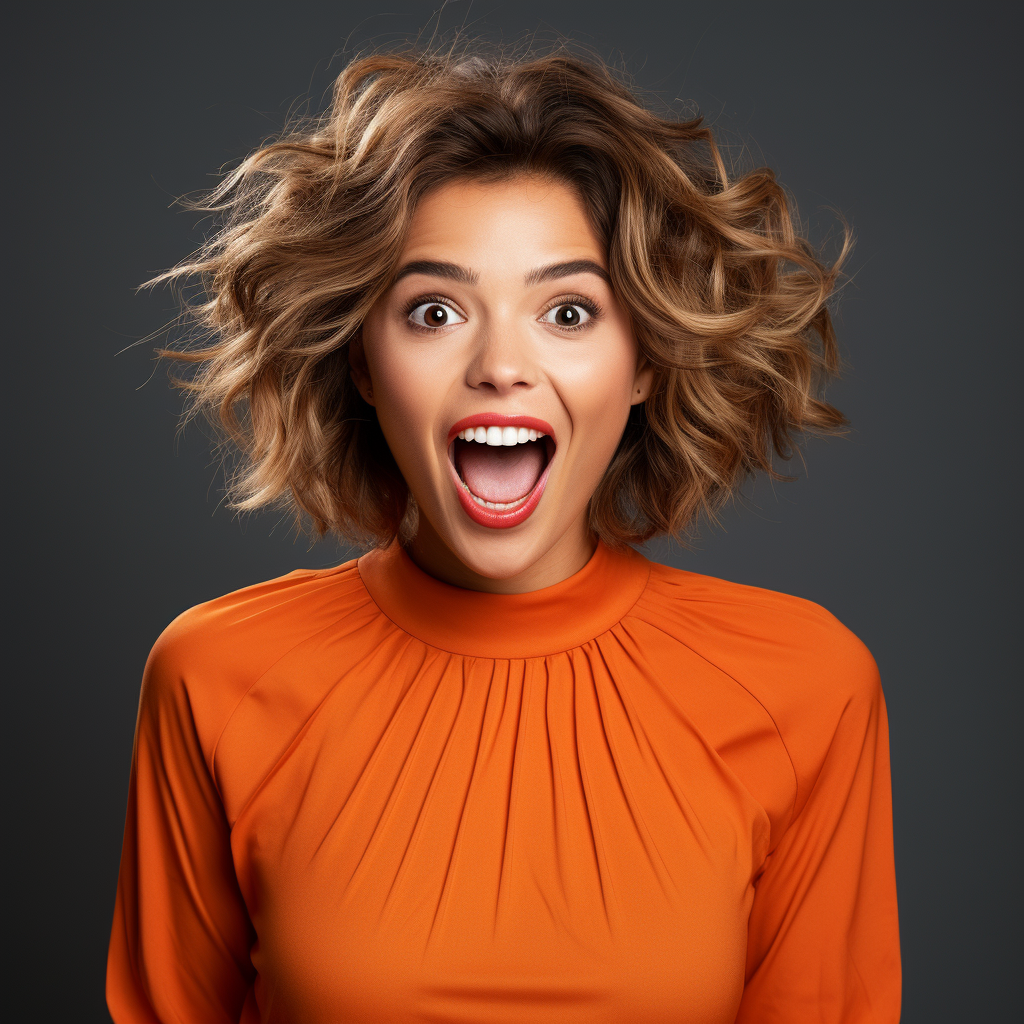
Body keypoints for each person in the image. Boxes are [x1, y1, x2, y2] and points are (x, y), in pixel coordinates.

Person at [106, 41, 901, 1023]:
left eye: (566, 310)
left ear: (645, 359)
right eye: (434, 310)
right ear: (362, 360)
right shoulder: (215, 676)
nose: (500, 366)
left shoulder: (804, 687)